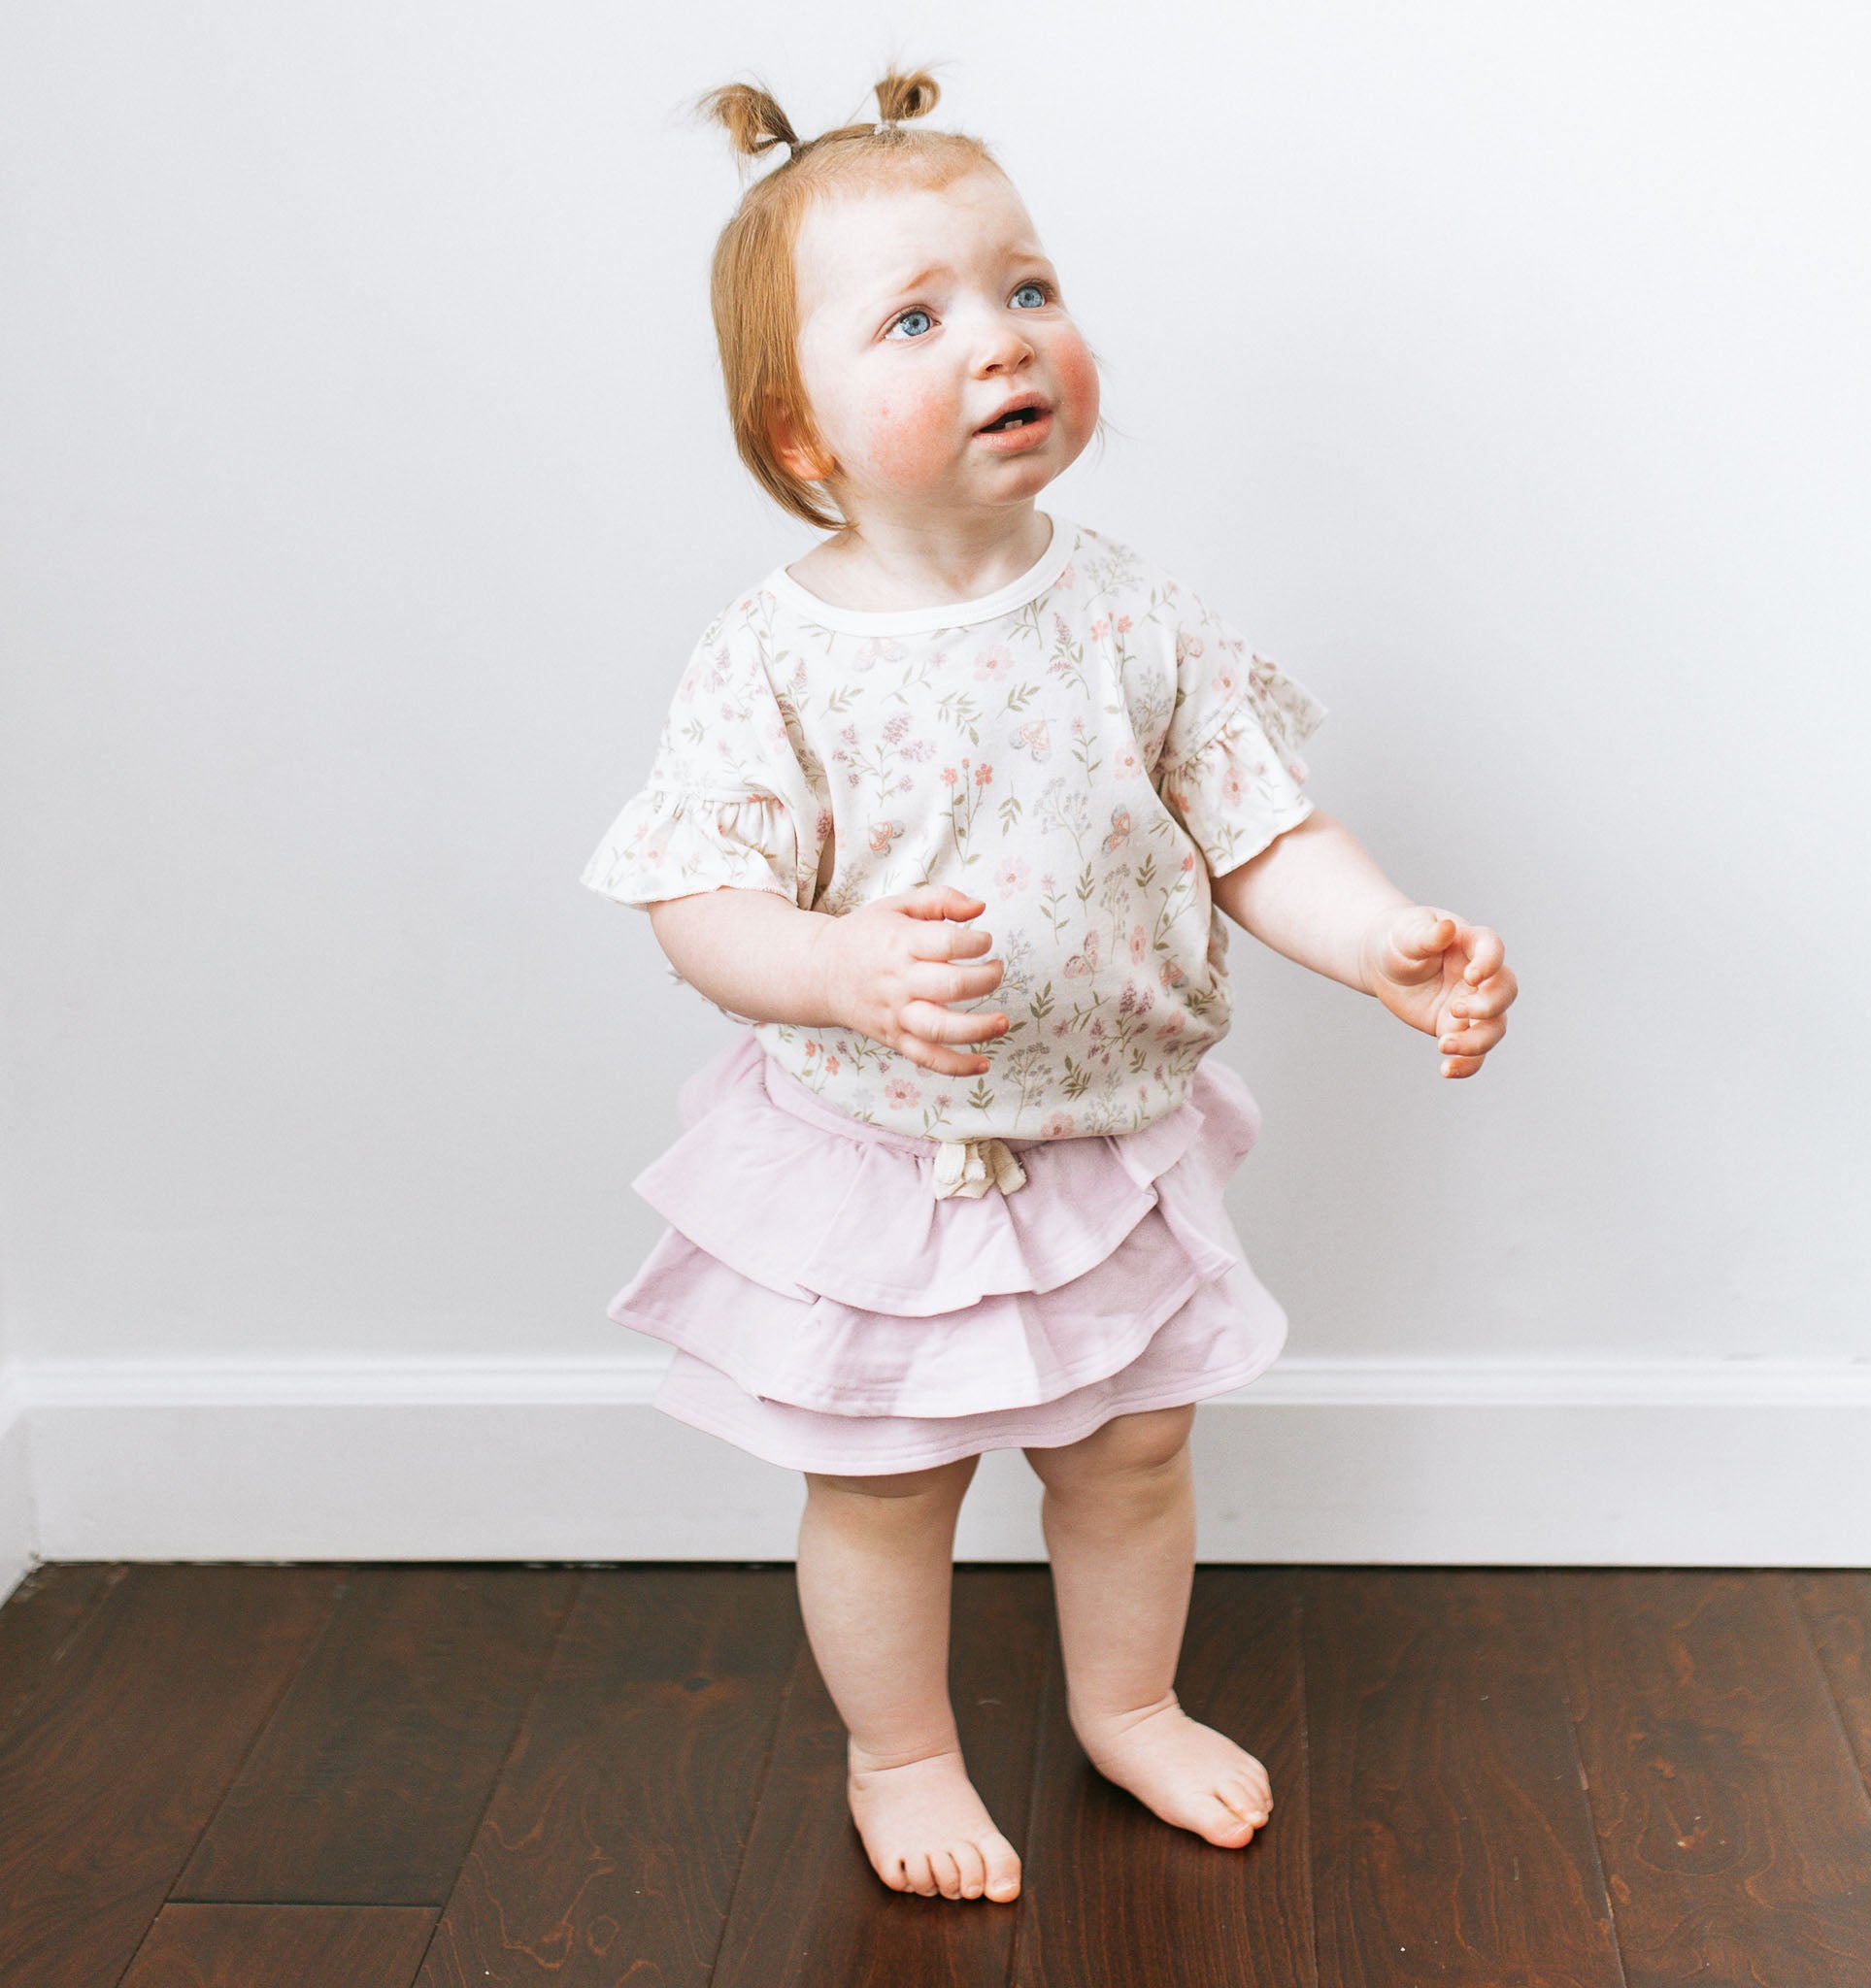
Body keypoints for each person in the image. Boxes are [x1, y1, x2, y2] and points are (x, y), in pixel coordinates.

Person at [581, 66, 1518, 1905]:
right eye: (916, 318)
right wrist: (836, 967)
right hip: (884, 1159)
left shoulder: (1127, 612)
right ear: (798, 432)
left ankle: (1129, 1702)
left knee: (1133, 1454)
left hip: (1106, 1143)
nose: (1003, 339)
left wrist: (1380, 940)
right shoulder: (774, 659)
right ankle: (902, 1752)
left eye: (1027, 289)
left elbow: (1257, 826)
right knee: (886, 1483)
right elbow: (697, 899)